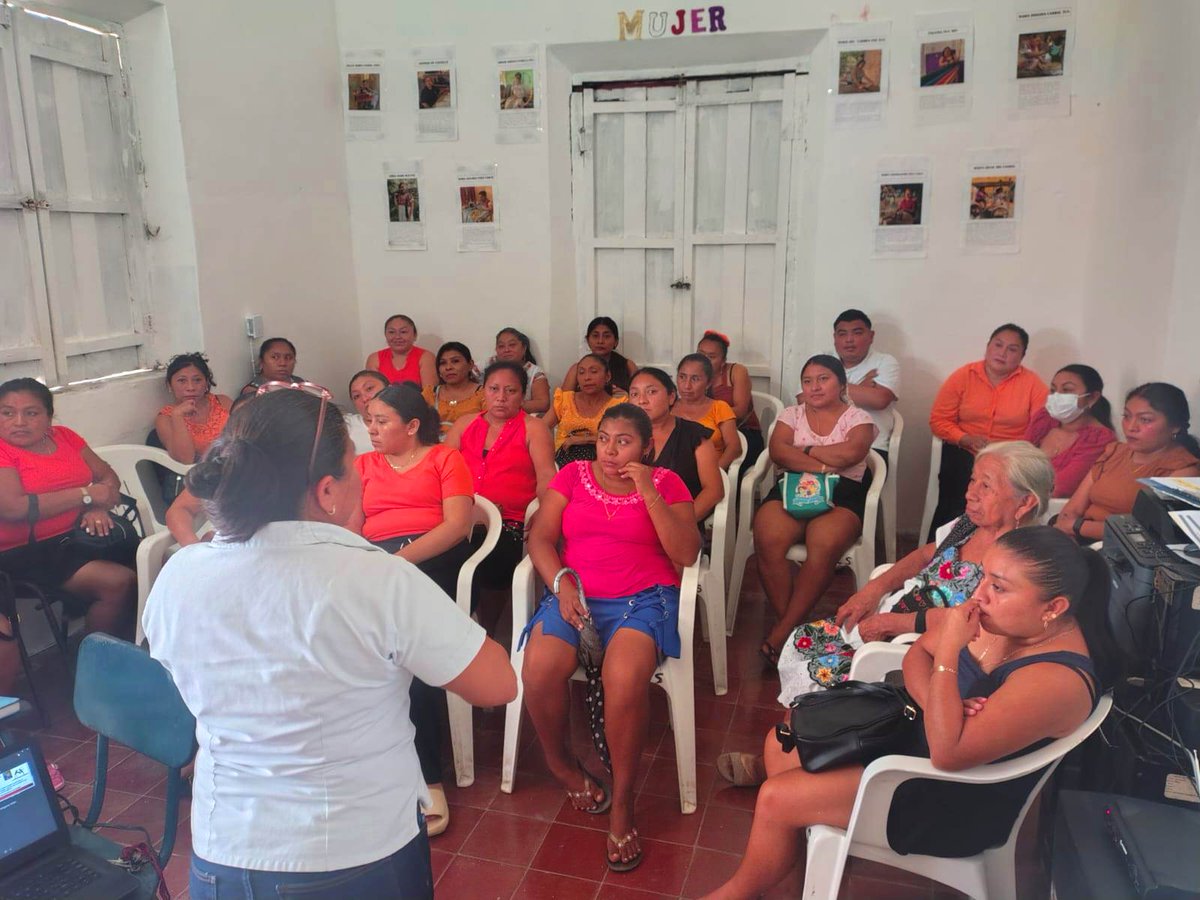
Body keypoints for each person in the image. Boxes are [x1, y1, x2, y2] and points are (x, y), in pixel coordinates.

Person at [143, 388, 514, 899]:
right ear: (326, 492)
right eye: (352, 466)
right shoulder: (374, 579)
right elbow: (497, 684)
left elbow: (179, 685)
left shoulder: (181, 574)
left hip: (221, 849)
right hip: (352, 852)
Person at [705, 526, 1118, 899]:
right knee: (783, 744)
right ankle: (793, 883)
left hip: (953, 797)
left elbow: (948, 752)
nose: (979, 596)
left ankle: (740, 891)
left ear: (1054, 607)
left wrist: (950, 658)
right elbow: (916, 655)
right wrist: (944, 703)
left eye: (1000, 587)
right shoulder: (1012, 623)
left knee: (778, 798)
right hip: (915, 739)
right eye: (984, 578)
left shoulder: (1055, 681)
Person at [718, 441, 1053, 788]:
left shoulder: (1019, 562)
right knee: (810, 642)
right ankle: (789, 757)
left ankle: (782, 768)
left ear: (1026, 502)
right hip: (895, 618)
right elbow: (926, 555)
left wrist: (890, 623)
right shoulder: (970, 525)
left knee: (828, 674)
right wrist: (872, 591)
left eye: (986, 486)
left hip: (920, 646)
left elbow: (968, 622)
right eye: (972, 481)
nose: (971, 493)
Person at [520, 404, 700, 872]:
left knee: (623, 680)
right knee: (538, 668)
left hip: (642, 599)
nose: (611, 450)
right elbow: (540, 538)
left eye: (624, 441)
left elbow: (685, 552)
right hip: (575, 590)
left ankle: (623, 800)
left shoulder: (667, 483)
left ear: (648, 448)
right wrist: (560, 581)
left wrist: (647, 490)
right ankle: (563, 767)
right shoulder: (574, 476)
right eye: (604, 438)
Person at [356, 383, 475, 836]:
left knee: (408, 652)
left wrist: (397, 563)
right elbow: (350, 526)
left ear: (412, 425)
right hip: (375, 562)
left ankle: (428, 775)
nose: (372, 429)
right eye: (368, 420)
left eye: (382, 421)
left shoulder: (446, 459)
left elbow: (458, 526)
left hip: (432, 559)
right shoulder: (362, 465)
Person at [753, 355, 876, 666]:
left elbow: (851, 453)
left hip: (844, 492)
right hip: (794, 487)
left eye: (823, 379)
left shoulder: (857, 418)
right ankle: (795, 633)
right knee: (768, 538)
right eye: (807, 381)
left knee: (822, 545)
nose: (814, 386)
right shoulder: (791, 414)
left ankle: (781, 635)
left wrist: (803, 450)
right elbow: (779, 451)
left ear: (842, 384)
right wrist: (823, 464)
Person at [0, 378, 136, 647]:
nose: (19, 421)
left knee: (149, 565)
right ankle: (95, 663)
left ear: (49, 417)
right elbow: (13, 508)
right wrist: (85, 496)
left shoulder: (65, 436)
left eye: (31, 413)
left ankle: (133, 650)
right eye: (7, 413)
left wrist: (96, 507)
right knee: (119, 583)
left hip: (76, 538)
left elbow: (108, 477)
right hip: (25, 552)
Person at [445, 362, 554, 630]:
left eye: (511, 391)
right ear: (483, 391)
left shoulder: (533, 429)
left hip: (509, 521)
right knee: (442, 557)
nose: (501, 397)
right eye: (494, 389)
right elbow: (440, 470)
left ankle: (486, 630)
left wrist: (543, 512)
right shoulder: (464, 424)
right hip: (459, 517)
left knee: (493, 556)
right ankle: (454, 627)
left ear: (522, 395)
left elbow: (546, 479)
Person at [928, 323, 1048, 537]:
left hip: (1010, 457)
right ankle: (942, 550)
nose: (1002, 353)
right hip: (964, 450)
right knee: (959, 490)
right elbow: (939, 419)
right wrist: (963, 438)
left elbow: (1040, 429)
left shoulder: (1033, 385)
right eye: (998, 345)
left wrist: (1007, 451)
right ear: (988, 346)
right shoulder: (964, 375)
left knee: (1003, 494)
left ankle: (990, 548)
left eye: (1012, 349)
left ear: (1022, 355)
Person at [1055, 383, 1200, 544]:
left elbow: (1147, 532)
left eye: (1145, 420)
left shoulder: (1183, 471)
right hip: (1076, 536)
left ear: (1175, 426)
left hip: (1121, 550)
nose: (1131, 427)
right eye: (1126, 416)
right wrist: (1068, 534)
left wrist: (1078, 527)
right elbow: (1073, 508)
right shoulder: (1115, 451)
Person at [628, 368, 723, 522]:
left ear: (671, 397)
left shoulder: (694, 436)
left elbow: (714, 491)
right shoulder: (623, 434)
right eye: (634, 394)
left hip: (679, 522)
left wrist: (681, 525)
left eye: (651, 392)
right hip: (630, 521)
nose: (642, 400)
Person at [1024, 364, 1116, 498]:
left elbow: (1061, 488)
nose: (1057, 396)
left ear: (1092, 398)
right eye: (1053, 389)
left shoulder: (1100, 439)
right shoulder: (1044, 418)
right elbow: (1018, 459)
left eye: (1067, 390)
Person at [827, 309, 900, 466]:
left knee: (839, 488)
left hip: (870, 449)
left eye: (857, 333)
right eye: (842, 334)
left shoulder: (885, 362)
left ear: (871, 336)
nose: (849, 340)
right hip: (823, 444)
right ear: (834, 338)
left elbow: (879, 400)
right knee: (789, 484)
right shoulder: (822, 361)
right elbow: (804, 401)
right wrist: (860, 389)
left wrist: (828, 391)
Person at [696, 330, 764, 471]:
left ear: (723, 361)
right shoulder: (693, 373)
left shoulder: (737, 371)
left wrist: (706, 414)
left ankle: (719, 483)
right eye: (700, 354)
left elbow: (740, 411)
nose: (704, 360)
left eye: (711, 356)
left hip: (742, 432)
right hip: (708, 433)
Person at [544, 355, 623, 466]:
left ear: (608, 376)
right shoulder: (565, 400)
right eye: (581, 373)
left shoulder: (619, 406)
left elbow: (623, 439)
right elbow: (540, 429)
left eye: (593, 372)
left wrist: (584, 439)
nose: (587, 378)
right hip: (562, 463)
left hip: (604, 465)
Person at [155, 353, 232, 464]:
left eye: (197, 380)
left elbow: (250, 435)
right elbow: (185, 460)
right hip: (200, 475)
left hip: (236, 466)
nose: (190, 387)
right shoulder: (165, 418)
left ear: (206, 383)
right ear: (169, 385)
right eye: (182, 381)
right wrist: (177, 416)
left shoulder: (223, 402)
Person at [674, 354, 740, 470]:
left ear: (709, 383)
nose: (687, 385)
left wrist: (715, 473)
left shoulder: (719, 407)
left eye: (695, 379)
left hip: (710, 474)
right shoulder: (667, 407)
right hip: (672, 474)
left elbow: (734, 447)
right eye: (682, 377)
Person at [560, 317, 638, 395]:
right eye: (595, 336)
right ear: (588, 340)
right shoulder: (577, 368)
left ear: (616, 341)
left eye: (606, 336)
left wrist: (627, 397)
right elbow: (564, 401)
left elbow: (639, 397)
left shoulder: (628, 366)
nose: (600, 341)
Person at [421, 342, 483, 436]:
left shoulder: (484, 394)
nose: (448, 367)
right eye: (443, 363)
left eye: (455, 361)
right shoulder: (430, 394)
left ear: (470, 364)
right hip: (434, 448)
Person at [365, 314, 436, 388]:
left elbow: (429, 395)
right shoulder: (374, 359)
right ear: (385, 335)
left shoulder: (426, 357)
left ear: (415, 335)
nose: (397, 337)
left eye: (403, 332)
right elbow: (373, 393)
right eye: (392, 332)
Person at [493, 327, 550, 415]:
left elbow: (543, 404)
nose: (506, 350)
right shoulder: (488, 366)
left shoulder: (535, 373)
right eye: (501, 346)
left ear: (524, 348)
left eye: (512, 345)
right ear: (496, 350)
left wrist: (509, 405)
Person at [346, 369, 389, 454]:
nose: (365, 399)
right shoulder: (346, 425)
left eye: (369, 388)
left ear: (389, 389)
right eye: (357, 396)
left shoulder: (409, 419)